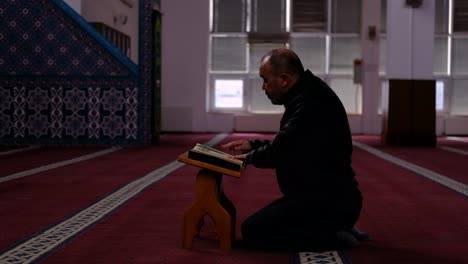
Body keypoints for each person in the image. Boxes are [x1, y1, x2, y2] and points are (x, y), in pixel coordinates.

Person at [221, 48, 363, 252]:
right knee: (262, 224)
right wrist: (253, 146)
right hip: (323, 198)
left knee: (253, 231)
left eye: (265, 80)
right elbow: (292, 142)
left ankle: (333, 236)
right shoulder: (308, 92)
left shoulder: (309, 103)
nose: (263, 87)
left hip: (329, 203)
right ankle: (335, 227)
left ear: (284, 80)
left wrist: (248, 158)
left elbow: (281, 150)